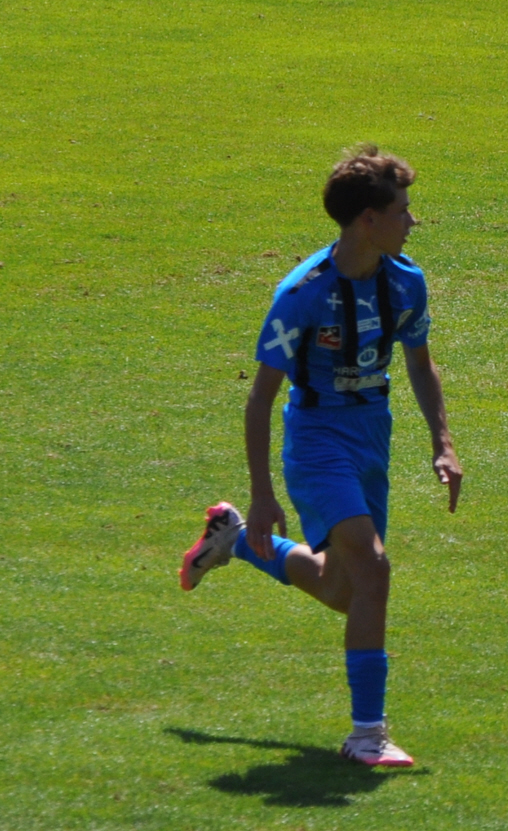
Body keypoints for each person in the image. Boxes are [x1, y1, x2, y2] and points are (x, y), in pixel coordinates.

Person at [179, 145, 462, 767]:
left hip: (372, 434)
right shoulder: (301, 294)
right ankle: (368, 734)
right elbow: (260, 398)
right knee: (375, 571)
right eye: (403, 210)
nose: (412, 221)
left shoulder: (406, 282)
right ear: (368, 219)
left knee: (344, 589)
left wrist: (442, 443)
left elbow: (420, 364)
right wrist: (263, 493)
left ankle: (235, 541)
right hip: (316, 438)